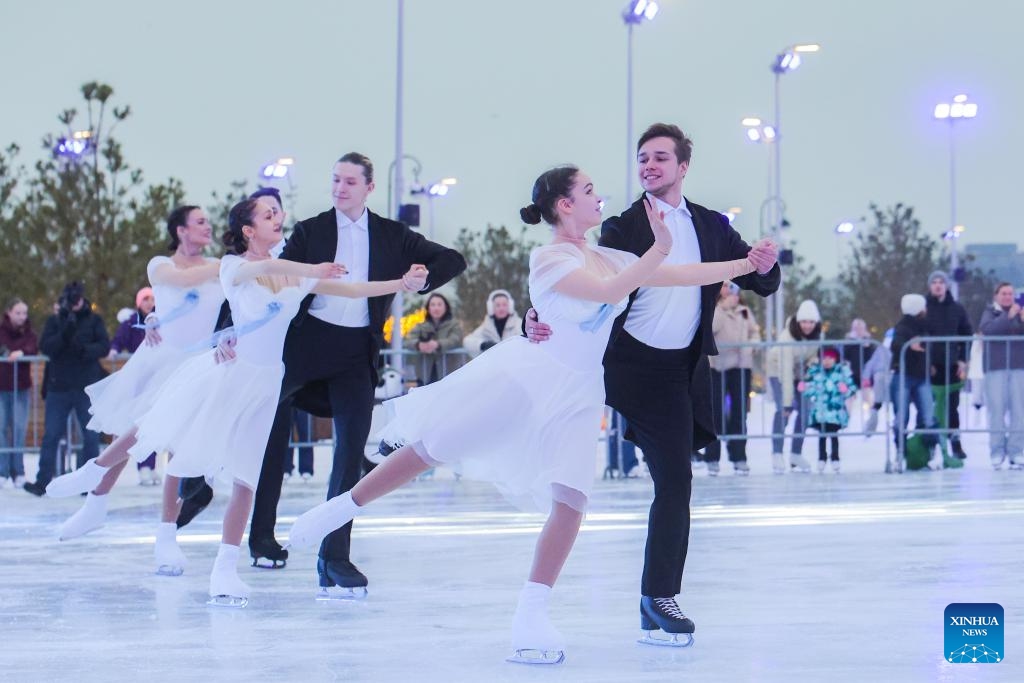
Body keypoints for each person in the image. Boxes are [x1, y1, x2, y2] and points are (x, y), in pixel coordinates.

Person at [287, 165, 764, 662]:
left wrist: (743, 265)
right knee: (432, 447)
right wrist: (658, 248)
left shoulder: (607, 255)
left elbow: (680, 276)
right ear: (564, 205)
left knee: (572, 502)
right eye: (588, 191)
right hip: (528, 379)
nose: (598, 198)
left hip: (579, 394)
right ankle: (337, 510)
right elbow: (608, 292)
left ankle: (530, 615)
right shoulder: (549, 258)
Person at [525, 124, 779, 646]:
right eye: (643, 158)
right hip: (619, 366)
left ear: (684, 166)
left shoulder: (710, 225)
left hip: (674, 375)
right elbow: (582, 284)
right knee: (552, 467)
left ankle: (656, 597)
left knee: (676, 481)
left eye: (661, 157)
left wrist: (767, 266)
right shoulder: (622, 228)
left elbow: (757, 276)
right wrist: (534, 313)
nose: (650, 165)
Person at [123, 197, 426, 606]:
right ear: (248, 231)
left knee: (247, 479)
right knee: (188, 455)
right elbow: (264, 267)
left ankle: (224, 569)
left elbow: (352, 289)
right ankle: (150, 521)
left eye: (277, 214)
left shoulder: (291, 277)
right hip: (231, 377)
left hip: (267, 384)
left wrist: (399, 284)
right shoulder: (235, 266)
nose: (278, 219)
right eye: (268, 216)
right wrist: (310, 268)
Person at [246, 153, 466, 592]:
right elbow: (274, 281)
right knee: (269, 437)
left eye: (349, 181)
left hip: (355, 353)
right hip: (303, 345)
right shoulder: (311, 230)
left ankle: (335, 558)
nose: (340, 188)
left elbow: (452, 259)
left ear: (368, 187)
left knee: (348, 456)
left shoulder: (392, 235)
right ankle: (261, 537)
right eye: (335, 180)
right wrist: (228, 332)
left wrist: (422, 281)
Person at [44, 206, 226, 555]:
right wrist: (158, 315)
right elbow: (183, 284)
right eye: (200, 221)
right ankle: (96, 501)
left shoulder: (218, 266)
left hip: (197, 363)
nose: (208, 227)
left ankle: (163, 530)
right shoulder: (161, 264)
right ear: (181, 230)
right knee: (135, 429)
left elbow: (230, 305)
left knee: (173, 444)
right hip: (161, 359)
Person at [24, 281, 109, 496]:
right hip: (59, 387)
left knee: (89, 436)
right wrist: (64, 333)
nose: (75, 304)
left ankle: (88, 483)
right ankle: (43, 481)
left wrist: (85, 350)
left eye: (77, 299)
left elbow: (104, 346)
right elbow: (46, 346)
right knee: (51, 435)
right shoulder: (56, 321)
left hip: (85, 387)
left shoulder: (93, 320)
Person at [704, 281, 759, 475]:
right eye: (726, 286)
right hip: (717, 367)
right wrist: (722, 308)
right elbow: (711, 329)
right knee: (715, 413)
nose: (730, 291)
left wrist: (751, 346)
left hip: (740, 367)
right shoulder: (713, 307)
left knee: (739, 413)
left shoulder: (744, 311)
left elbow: (754, 332)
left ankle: (739, 457)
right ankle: (712, 458)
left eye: (733, 287)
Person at [108, 286, 162, 485]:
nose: (149, 302)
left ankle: (151, 466)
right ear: (139, 302)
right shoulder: (131, 322)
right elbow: (118, 340)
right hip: (139, 380)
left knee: (155, 423)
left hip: (157, 378)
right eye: (145, 299)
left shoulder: (161, 319)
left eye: (152, 298)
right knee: (138, 425)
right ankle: (143, 467)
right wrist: (114, 349)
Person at [766, 300, 823, 473]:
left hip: (799, 373)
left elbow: (813, 356)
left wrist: (811, 364)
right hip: (778, 370)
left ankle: (796, 453)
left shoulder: (818, 336)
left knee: (806, 410)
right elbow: (785, 371)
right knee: (783, 410)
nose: (807, 325)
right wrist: (787, 402)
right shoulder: (787, 337)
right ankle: (777, 453)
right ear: (798, 322)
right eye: (804, 321)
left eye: (811, 322)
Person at [924, 271, 973, 459]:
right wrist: (926, 363)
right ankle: (929, 446)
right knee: (929, 408)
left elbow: (967, 335)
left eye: (941, 282)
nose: (938, 285)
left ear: (946, 286)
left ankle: (955, 444)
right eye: (934, 282)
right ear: (930, 286)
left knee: (952, 408)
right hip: (930, 368)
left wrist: (963, 359)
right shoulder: (924, 308)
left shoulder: (957, 309)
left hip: (951, 366)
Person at [890, 293, 940, 467]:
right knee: (901, 417)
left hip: (921, 376)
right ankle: (900, 451)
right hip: (903, 376)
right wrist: (908, 346)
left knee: (928, 416)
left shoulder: (925, 326)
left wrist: (930, 364)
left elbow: (928, 347)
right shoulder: (902, 327)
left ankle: (930, 451)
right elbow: (895, 345)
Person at [978, 283, 1024, 469]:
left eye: (1010, 294)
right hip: (995, 368)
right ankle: (996, 452)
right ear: (996, 295)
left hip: (1019, 368)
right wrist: (1008, 316)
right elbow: (989, 331)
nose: (1007, 297)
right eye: (1004, 293)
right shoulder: (990, 313)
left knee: (1019, 411)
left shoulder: (1019, 313)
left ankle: (1017, 450)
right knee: (996, 411)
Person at [0, 298, 39, 488]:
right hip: (1, 387)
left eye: (24, 313)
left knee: (19, 429)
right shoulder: (1, 331)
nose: (22, 317)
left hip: (21, 388)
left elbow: (33, 346)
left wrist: (21, 353)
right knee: (1, 428)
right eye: (18, 313)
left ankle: (19, 471)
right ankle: (3, 471)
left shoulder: (29, 333)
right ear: (9, 312)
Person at [798, 346, 855, 473]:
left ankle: (835, 458)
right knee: (822, 436)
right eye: (824, 358)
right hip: (820, 411)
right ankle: (821, 458)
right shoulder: (816, 372)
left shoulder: (841, 372)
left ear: (835, 359)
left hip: (835, 412)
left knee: (834, 436)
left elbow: (851, 389)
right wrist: (805, 389)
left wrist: (845, 390)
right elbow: (811, 389)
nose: (827, 361)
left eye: (830, 357)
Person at [405, 293, 464, 384]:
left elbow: (455, 340)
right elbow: (408, 340)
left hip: (449, 373)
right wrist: (419, 345)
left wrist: (437, 344)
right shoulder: (420, 326)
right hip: (425, 374)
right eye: (432, 305)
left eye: (439, 304)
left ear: (446, 307)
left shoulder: (454, 325)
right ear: (428, 308)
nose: (436, 308)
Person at [463, 290, 523, 357]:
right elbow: (467, 341)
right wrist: (483, 344)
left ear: (510, 306)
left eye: (504, 305)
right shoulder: (487, 326)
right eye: (498, 305)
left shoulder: (519, 324)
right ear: (491, 308)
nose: (501, 308)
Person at [861, 328, 894, 434]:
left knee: (877, 403)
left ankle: (871, 425)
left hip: (883, 376)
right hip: (886, 376)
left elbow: (870, 364)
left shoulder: (881, 348)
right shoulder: (883, 349)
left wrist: (866, 376)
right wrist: (866, 377)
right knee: (880, 403)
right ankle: (872, 426)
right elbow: (871, 363)